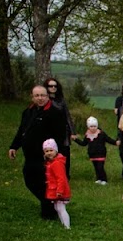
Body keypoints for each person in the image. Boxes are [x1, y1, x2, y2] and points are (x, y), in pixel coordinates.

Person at [8, 84, 72, 220]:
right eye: (37, 96)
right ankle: (51, 203)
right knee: (30, 180)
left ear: (47, 96)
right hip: (30, 155)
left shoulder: (55, 113)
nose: (40, 98)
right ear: (32, 97)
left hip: (46, 156)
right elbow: (22, 131)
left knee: (44, 183)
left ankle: (49, 211)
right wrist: (14, 146)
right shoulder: (28, 112)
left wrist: (54, 154)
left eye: (43, 95)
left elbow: (60, 136)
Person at [73, 117, 118, 184]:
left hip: (101, 153)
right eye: (91, 126)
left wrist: (115, 142)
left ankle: (104, 179)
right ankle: (99, 178)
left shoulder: (101, 134)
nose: (93, 128)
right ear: (88, 127)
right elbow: (83, 143)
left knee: (100, 167)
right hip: (92, 154)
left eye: (94, 126)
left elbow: (108, 139)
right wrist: (75, 139)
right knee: (96, 167)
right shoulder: (87, 135)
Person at [44, 77, 74, 175]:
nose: (53, 88)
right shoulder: (44, 100)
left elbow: (67, 116)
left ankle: (65, 174)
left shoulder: (61, 100)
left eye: (55, 86)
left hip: (63, 131)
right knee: (50, 152)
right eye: (50, 86)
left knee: (64, 153)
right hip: (49, 131)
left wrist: (72, 131)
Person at [43, 139, 71, 229]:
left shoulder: (57, 163)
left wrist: (60, 191)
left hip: (59, 190)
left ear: (56, 150)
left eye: (51, 150)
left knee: (61, 208)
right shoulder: (51, 163)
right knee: (58, 208)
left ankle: (67, 226)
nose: (49, 153)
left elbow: (61, 178)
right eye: (46, 151)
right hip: (54, 189)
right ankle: (64, 225)